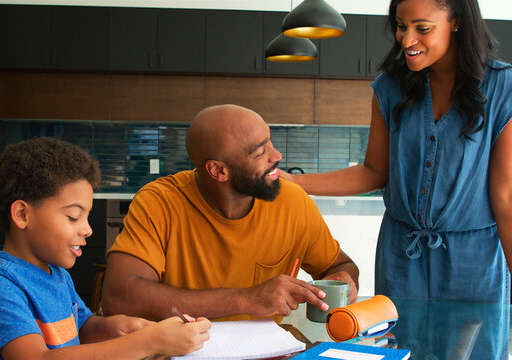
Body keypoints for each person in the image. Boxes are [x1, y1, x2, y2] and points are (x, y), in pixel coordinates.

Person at [280, 0, 512, 310]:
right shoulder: (390, 87)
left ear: (456, 21)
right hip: (401, 259)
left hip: (474, 263)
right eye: (402, 27)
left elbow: (508, 194)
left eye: (423, 28)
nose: (407, 40)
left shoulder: (507, 90)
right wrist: (294, 182)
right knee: (401, 352)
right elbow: (374, 172)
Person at [102, 104, 360, 321]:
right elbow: (119, 297)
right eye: (261, 152)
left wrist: (345, 278)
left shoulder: (294, 202)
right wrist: (248, 299)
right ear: (218, 171)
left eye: (271, 143)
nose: (277, 155)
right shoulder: (159, 203)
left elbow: (339, 265)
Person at [0, 137, 211, 360]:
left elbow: (83, 328)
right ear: (22, 214)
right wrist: (149, 342)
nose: (87, 229)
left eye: (86, 217)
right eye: (73, 217)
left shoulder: (56, 274)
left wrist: (122, 327)